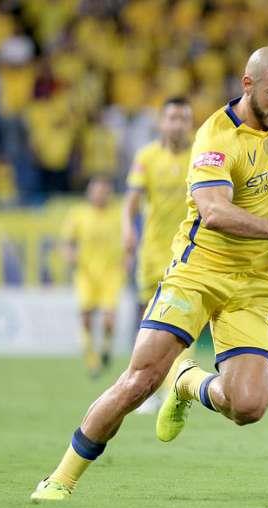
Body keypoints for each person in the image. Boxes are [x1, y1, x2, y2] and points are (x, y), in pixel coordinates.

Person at [30, 46, 268, 502]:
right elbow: (215, 212)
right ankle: (60, 478)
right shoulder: (217, 138)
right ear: (248, 85)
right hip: (199, 271)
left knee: (248, 407)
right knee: (140, 380)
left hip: (256, 281)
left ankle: (185, 382)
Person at [122, 96, 194, 414]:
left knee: (180, 325)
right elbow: (131, 203)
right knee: (147, 324)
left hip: (188, 255)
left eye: (183, 119)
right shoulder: (147, 157)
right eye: (172, 118)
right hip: (152, 255)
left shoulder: (201, 155)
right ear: (162, 123)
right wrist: (128, 229)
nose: (177, 124)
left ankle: (175, 386)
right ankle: (145, 389)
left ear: (190, 124)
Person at [62, 176, 123, 377]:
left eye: (104, 192)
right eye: (96, 192)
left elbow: (129, 239)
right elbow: (68, 242)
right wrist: (69, 255)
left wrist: (128, 257)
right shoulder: (78, 214)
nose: (100, 195)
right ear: (89, 193)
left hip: (111, 272)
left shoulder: (118, 213)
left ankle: (106, 347)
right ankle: (91, 359)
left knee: (108, 319)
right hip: (86, 273)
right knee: (86, 318)